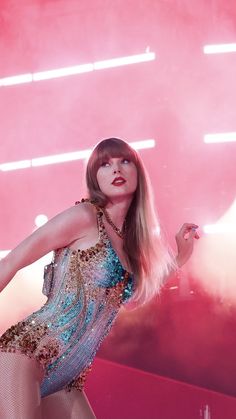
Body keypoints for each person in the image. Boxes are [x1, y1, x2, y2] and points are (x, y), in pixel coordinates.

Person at [0, 138, 199, 419]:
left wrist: (178, 259)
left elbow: (132, 298)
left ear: (138, 172)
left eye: (124, 161)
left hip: (65, 377)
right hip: (26, 353)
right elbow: (10, 261)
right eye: (105, 164)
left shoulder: (129, 244)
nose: (116, 169)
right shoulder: (83, 216)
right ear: (95, 177)